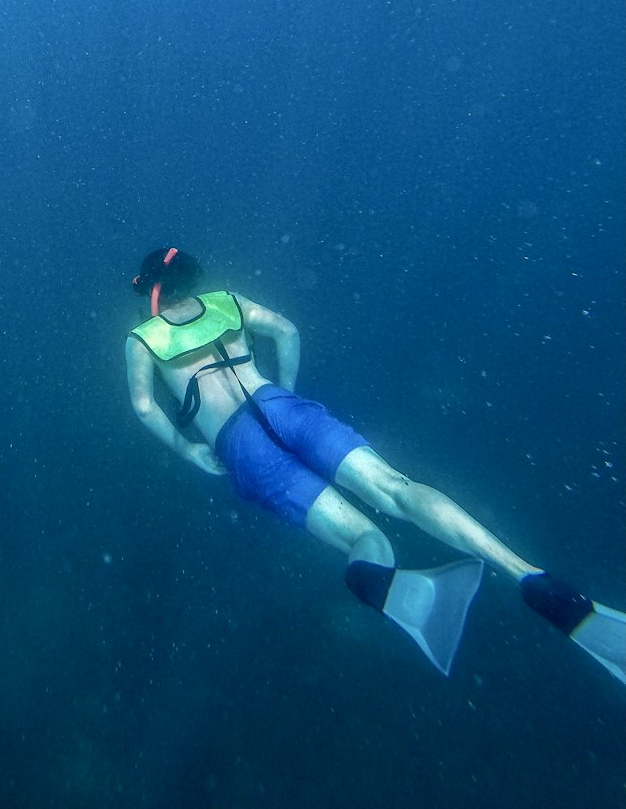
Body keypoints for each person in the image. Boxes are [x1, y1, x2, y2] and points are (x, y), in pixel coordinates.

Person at [125, 247, 625, 680]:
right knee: (398, 488)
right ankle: (530, 577)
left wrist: (189, 450)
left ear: (152, 290)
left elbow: (145, 407)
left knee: (363, 537)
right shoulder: (227, 301)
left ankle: (374, 578)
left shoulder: (142, 339)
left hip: (238, 445)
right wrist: (288, 395)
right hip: (287, 408)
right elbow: (288, 332)